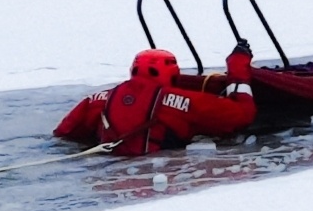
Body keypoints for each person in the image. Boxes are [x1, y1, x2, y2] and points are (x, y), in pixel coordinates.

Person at [54, 42, 258, 155]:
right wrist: (237, 65)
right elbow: (242, 115)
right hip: (157, 171)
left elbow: (64, 132)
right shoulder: (180, 101)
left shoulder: (100, 99)